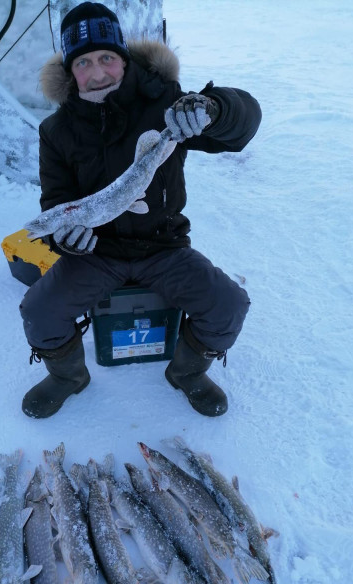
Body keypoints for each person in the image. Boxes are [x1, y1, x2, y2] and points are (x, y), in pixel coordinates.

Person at [19, 2, 261, 419]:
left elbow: (242, 127)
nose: (96, 74)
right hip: (98, 253)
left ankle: (187, 373)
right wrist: (65, 238)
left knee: (229, 304)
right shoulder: (55, 130)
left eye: (107, 58)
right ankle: (68, 377)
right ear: (69, 71)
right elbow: (56, 204)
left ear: (124, 59)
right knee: (38, 310)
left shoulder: (164, 100)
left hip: (163, 244)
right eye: (83, 63)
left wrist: (213, 109)